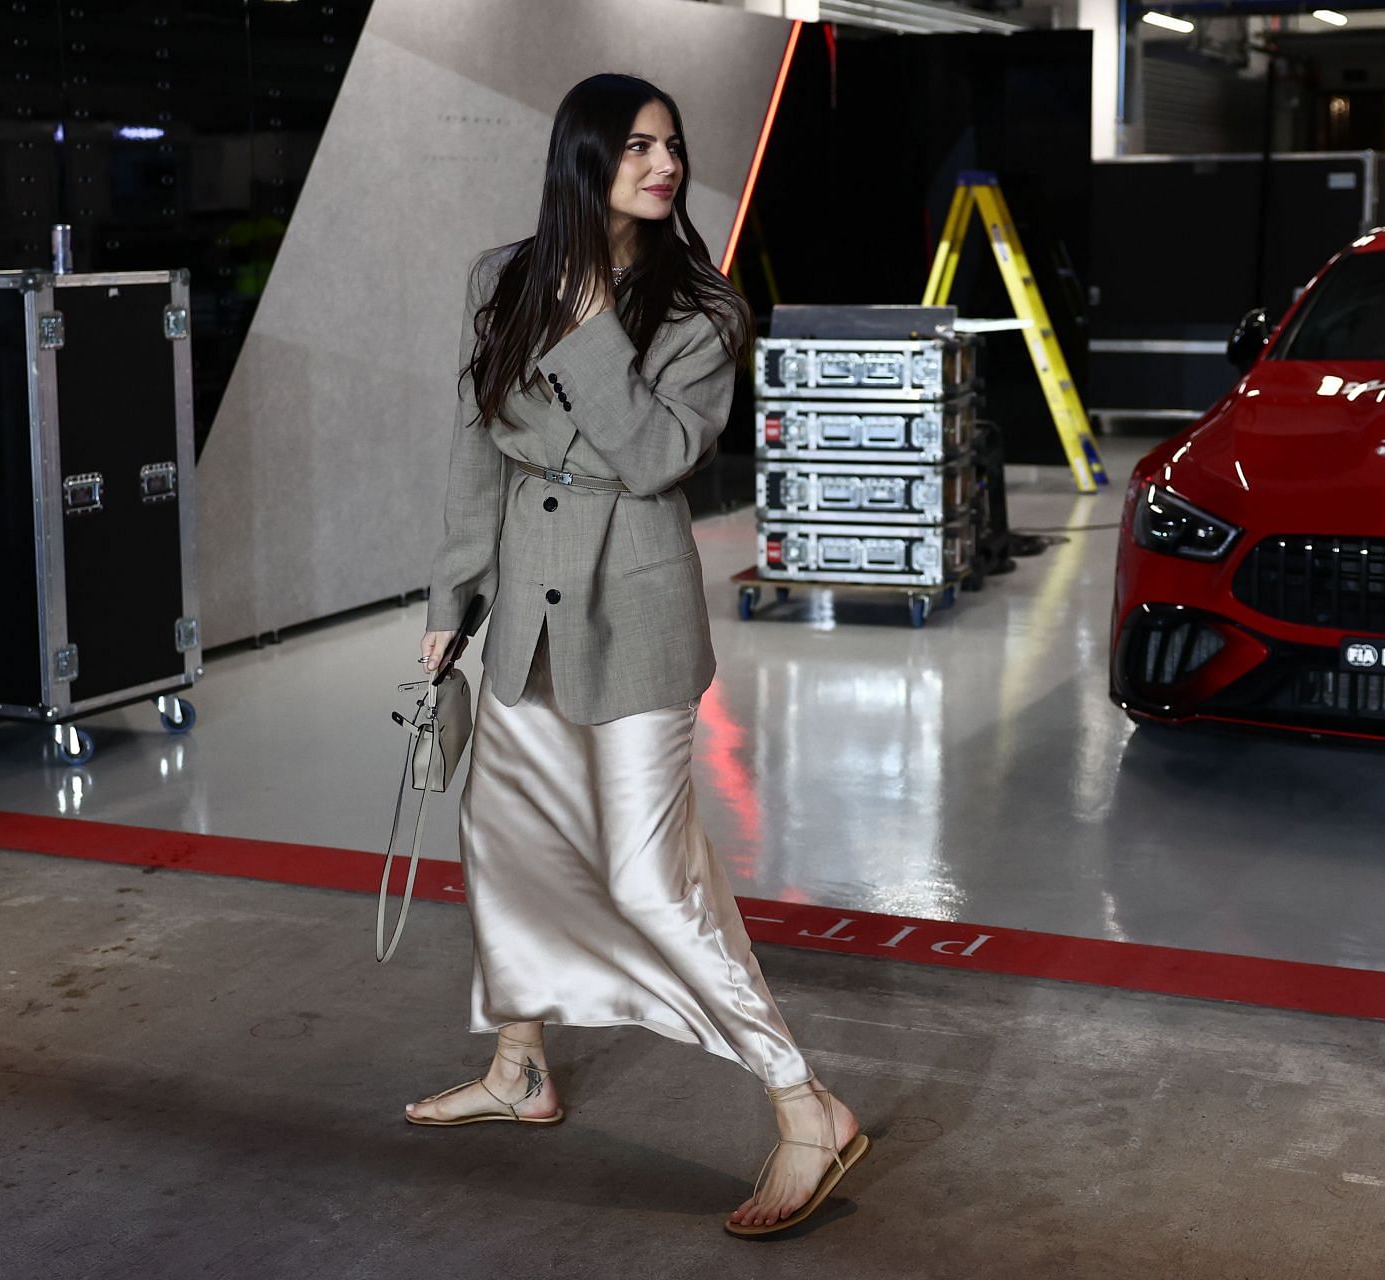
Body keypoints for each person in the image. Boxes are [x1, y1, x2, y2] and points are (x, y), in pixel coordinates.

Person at [408, 73, 867, 1238]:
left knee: (653, 882)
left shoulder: (707, 312)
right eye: (638, 147)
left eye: (671, 146)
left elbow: (655, 455)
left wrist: (585, 329)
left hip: (637, 618)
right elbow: (481, 453)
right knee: (504, 840)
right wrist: (448, 605)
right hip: (523, 613)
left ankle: (804, 1103)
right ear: (584, 158)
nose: (664, 165)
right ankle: (519, 1066)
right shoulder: (499, 279)